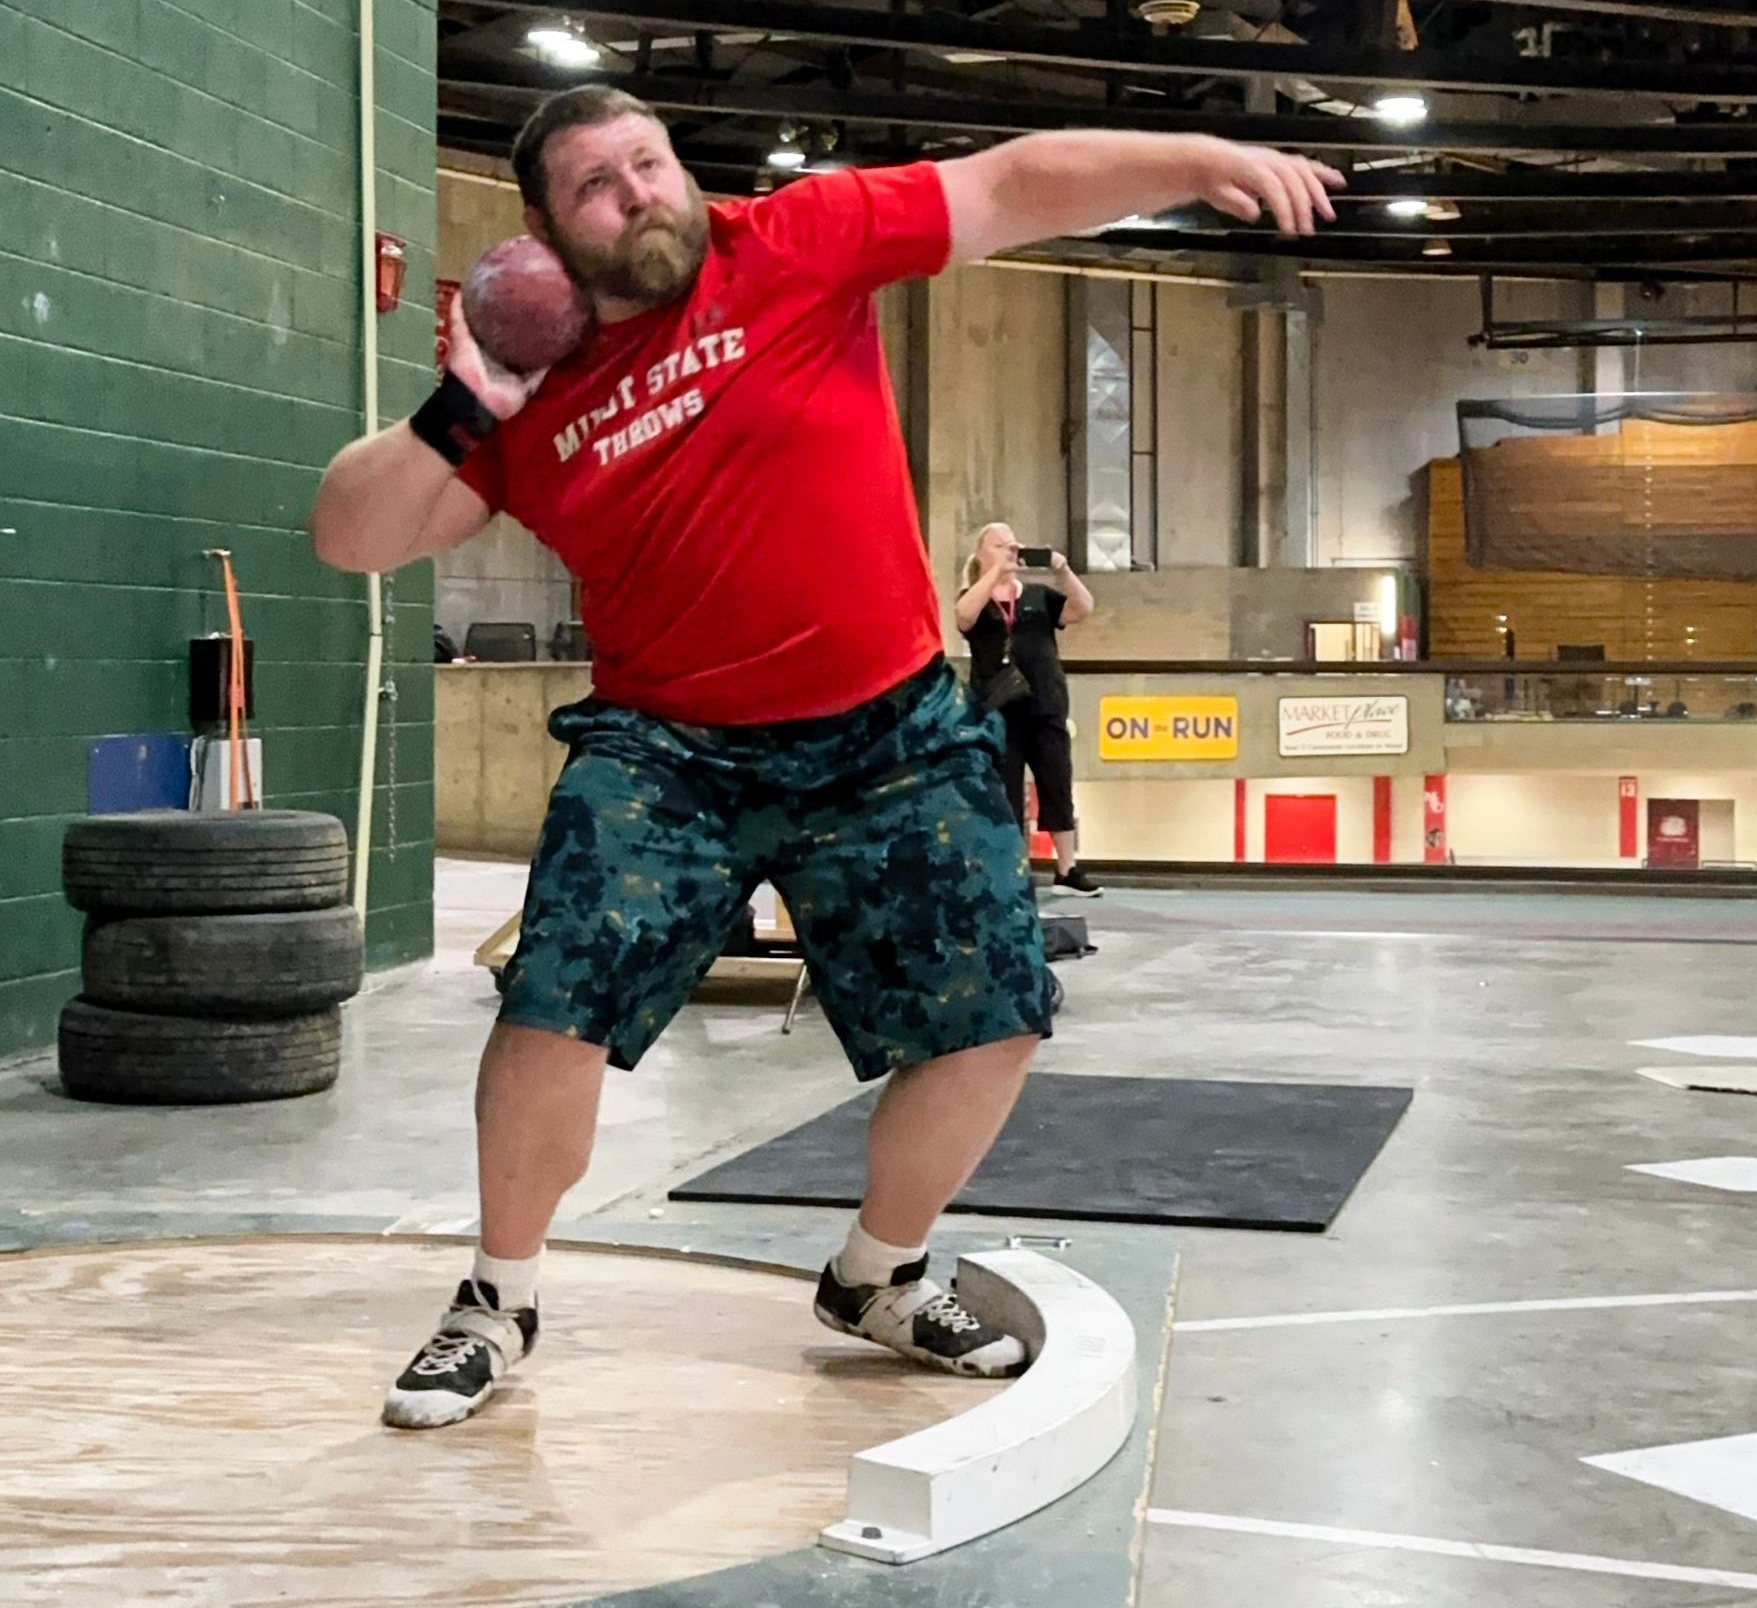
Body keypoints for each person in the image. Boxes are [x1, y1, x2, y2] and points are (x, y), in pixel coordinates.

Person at [308, 84, 1339, 1429]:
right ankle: (499, 1298)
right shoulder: (530, 389)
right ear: (546, 228)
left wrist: (1201, 155)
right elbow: (352, 534)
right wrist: (472, 396)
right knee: (552, 1005)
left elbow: (1018, 182)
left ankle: (878, 1276)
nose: (643, 193)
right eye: (600, 186)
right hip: (667, 750)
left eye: (652, 161)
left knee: (996, 1013)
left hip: (890, 729)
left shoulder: (793, 241)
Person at [957, 524, 1100, 897]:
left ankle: (1067, 867)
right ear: (982, 552)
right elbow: (963, 618)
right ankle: (1009, 866)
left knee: (1056, 780)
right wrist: (994, 575)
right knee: (1004, 788)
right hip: (999, 707)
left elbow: (1082, 608)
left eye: (1013, 543)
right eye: (999, 544)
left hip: (1044, 702)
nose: (1010, 548)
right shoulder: (978, 595)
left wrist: (1062, 570)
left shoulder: (1036, 596)